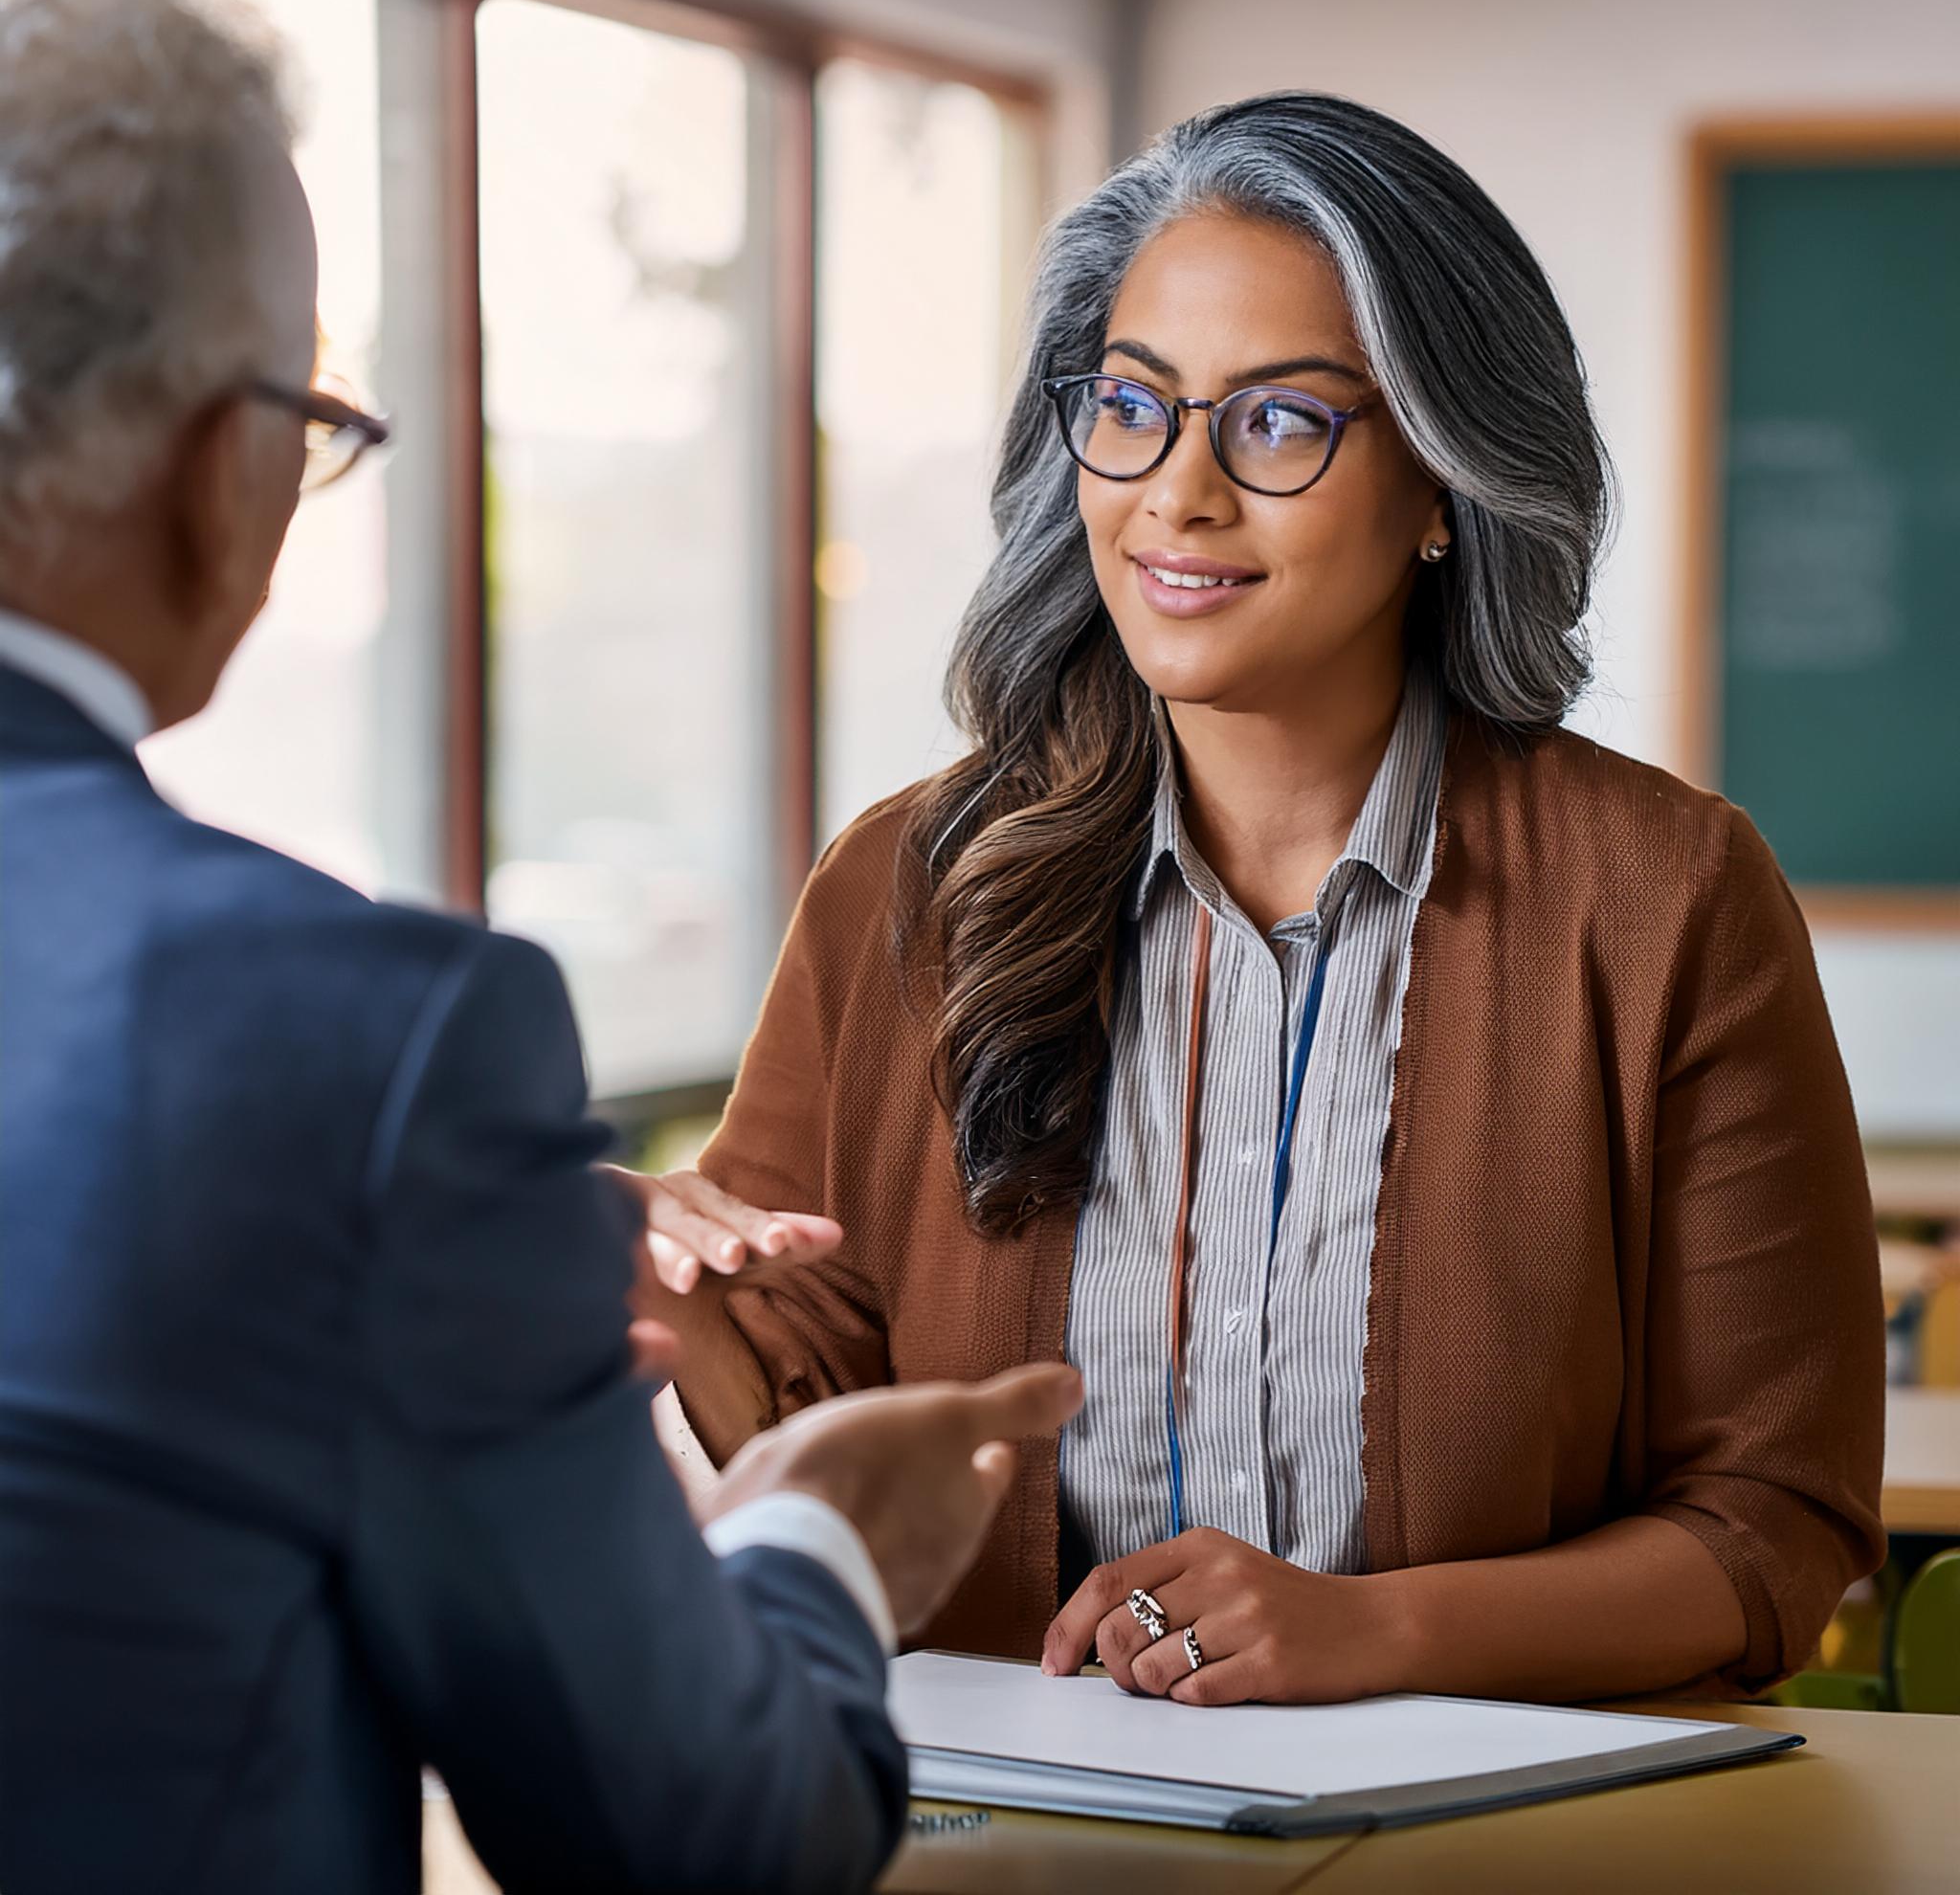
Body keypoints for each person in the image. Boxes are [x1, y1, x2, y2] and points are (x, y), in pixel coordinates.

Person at [0, 0, 1080, 1894]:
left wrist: (439, 1248)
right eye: (311, 412)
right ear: (203, 458)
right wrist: (824, 1540)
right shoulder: (355, 1048)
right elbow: (699, 1838)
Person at [637, 90, 1886, 1706]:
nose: (1179, 494)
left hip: (1501, 1850)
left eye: (1280, 422)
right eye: (1134, 405)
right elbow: (779, 1400)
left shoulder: (1666, 904)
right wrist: (619, 1289)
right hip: (1016, 1839)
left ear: (1444, 480)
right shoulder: (913, 890)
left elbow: (1772, 1521)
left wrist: (1379, 1633)